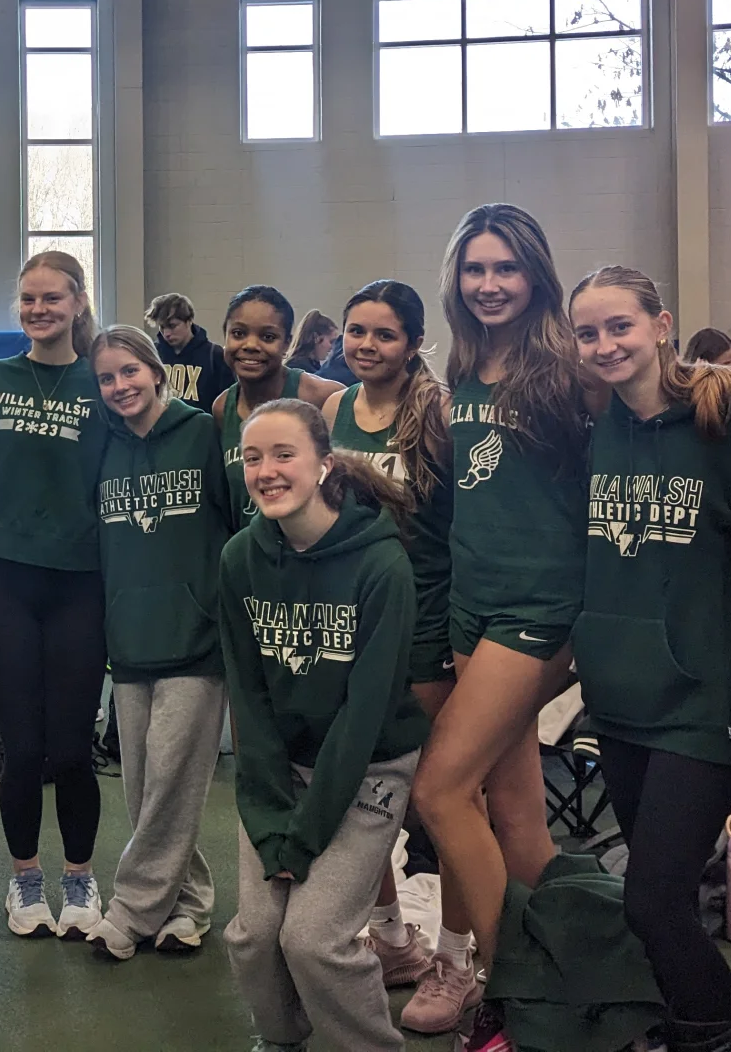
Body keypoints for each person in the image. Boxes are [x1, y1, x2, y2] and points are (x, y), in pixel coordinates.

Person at [569, 266, 731, 1052]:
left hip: (704, 702)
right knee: (664, 901)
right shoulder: (595, 426)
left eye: (619, 325)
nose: (604, 344)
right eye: (588, 333)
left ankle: (729, 1038)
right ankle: (711, 1026)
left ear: (660, 324)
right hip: (619, 698)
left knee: (650, 900)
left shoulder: (728, 417)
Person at [406, 204, 590, 1038]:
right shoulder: (465, 368)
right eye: (475, 269)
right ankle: (572, 977)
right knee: (517, 816)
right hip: (472, 610)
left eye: (505, 269)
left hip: (539, 611)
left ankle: (515, 989)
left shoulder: (568, 368)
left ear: (535, 276)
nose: (489, 284)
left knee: (441, 790)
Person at [220, 400, 427, 1052]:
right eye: (253, 458)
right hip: (283, 769)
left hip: (366, 770)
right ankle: (282, 1040)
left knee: (312, 939)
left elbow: (364, 717)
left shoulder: (380, 565)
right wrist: (269, 813)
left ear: (323, 465)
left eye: (284, 455)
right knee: (253, 934)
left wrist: (302, 837)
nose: (267, 471)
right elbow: (247, 699)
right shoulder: (239, 559)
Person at [83, 325, 238, 961]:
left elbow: (237, 526)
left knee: (173, 780)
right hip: (130, 641)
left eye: (130, 371)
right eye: (107, 378)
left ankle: (132, 910)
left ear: (156, 370)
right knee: (147, 789)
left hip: (196, 641)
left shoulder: (203, 432)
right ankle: (188, 902)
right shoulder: (103, 447)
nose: (120, 386)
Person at [0, 251, 109, 942]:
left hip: (81, 582)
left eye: (52, 298)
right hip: (5, 580)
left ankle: (80, 878)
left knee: (72, 749)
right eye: (28, 299)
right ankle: (25, 880)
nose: (39, 309)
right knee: (21, 748)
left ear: (79, 301)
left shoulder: (102, 383)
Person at [320, 280, 456, 988]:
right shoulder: (335, 406)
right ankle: (393, 937)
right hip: (354, 621)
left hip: (425, 617)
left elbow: (461, 521)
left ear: (413, 343)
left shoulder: (435, 412)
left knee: (438, 797)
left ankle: (463, 955)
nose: (366, 346)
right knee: (356, 786)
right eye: (356, 332)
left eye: (383, 335)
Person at [213, 287, 344, 524]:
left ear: (287, 344)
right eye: (239, 333)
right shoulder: (223, 408)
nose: (250, 344)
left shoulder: (323, 397)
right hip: (252, 553)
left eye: (268, 337)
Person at [145, 292, 234, 411]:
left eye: (172, 326)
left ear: (189, 321)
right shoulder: (152, 353)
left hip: (202, 427)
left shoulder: (214, 355)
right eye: (162, 327)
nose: (166, 333)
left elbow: (227, 404)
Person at [286, 310, 338, 375]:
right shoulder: (298, 369)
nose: (332, 347)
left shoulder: (313, 365)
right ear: (316, 337)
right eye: (331, 341)